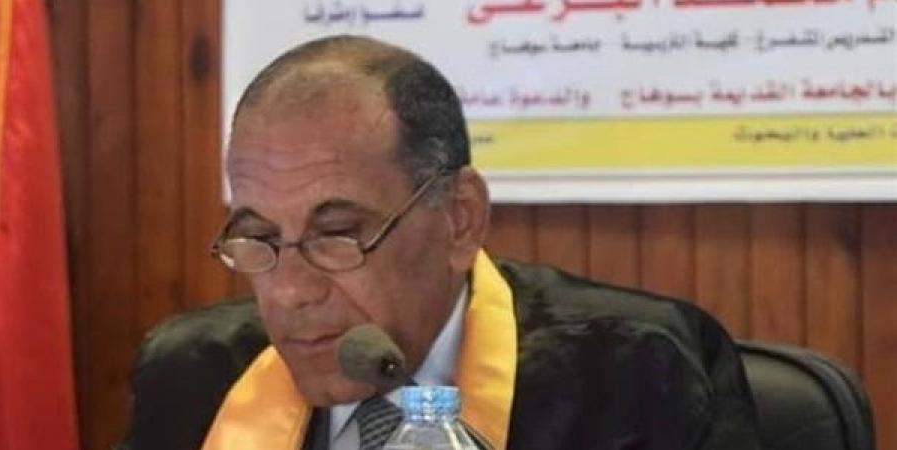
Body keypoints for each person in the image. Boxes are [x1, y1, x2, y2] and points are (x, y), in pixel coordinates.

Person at [117, 35, 760, 450]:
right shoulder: (194, 374)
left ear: (459, 218)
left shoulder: (638, 371)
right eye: (258, 238)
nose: (288, 292)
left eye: (336, 234)